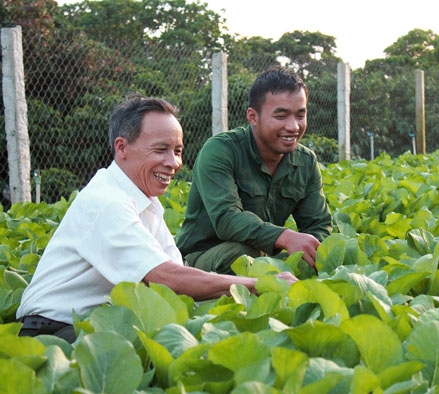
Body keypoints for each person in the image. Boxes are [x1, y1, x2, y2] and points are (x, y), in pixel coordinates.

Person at [16, 95, 297, 343]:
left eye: (177, 151)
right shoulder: (107, 201)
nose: (174, 163)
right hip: (51, 333)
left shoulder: (144, 201)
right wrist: (260, 285)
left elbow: (178, 279)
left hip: (98, 325)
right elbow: (165, 279)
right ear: (122, 147)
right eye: (160, 149)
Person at [176, 66, 332, 275]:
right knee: (244, 256)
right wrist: (285, 237)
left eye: (300, 115)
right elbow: (226, 218)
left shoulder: (305, 161)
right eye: (281, 116)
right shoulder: (220, 150)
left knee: (309, 256)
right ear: (252, 116)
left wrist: (309, 250)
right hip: (202, 259)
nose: (293, 126)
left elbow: (318, 225)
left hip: (264, 256)